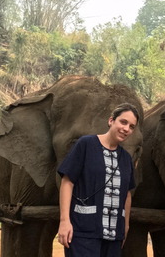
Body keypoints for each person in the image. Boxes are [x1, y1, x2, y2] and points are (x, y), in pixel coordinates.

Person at [57, 103, 140, 257]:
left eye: (131, 126)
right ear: (111, 121)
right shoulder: (86, 144)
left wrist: (125, 227)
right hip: (83, 233)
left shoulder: (126, 159)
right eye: (123, 122)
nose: (126, 129)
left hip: (114, 237)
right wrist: (64, 221)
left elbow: (127, 195)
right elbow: (67, 182)